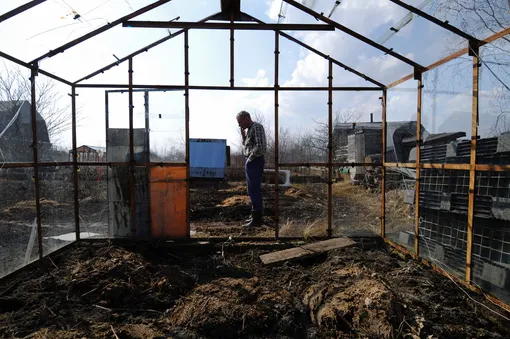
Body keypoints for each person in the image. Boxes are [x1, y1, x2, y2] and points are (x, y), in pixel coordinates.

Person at [237, 111, 267, 227]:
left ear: (246, 118)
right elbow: (247, 145)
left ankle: (257, 219)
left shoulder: (257, 127)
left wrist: (250, 159)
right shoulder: (249, 129)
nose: (239, 125)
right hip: (251, 161)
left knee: (254, 190)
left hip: (254, 161)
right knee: (252, 190)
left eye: (240, 122)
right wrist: (243, 136)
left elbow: (261, 147)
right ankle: (256, 215)